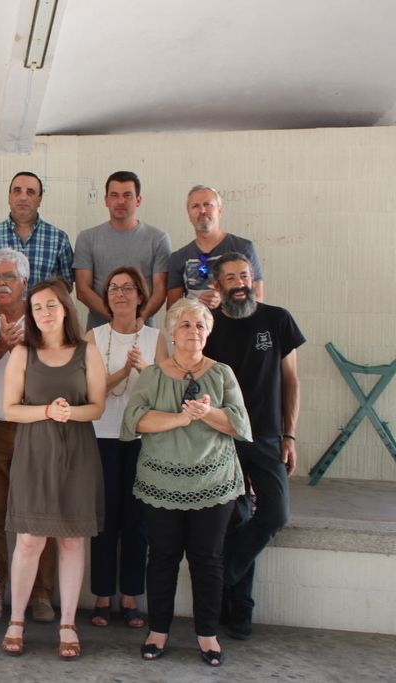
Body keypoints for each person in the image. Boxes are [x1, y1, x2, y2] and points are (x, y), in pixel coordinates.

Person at [121, 299, 251, 667]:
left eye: (201, 325)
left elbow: (240, 425)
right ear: (172, 332)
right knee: (163, 557)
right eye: (186, 325)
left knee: (207, 559)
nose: (194, 331)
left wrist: (207, 413)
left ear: (208, 333)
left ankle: (207, 635)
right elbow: (134, 421)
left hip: (214, 481)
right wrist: (180, 418)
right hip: (161, 481)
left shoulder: (222, 373)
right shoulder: (153, 374)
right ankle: (158, 631)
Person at [0, 279, 105, 660]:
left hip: (78, 453)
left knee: (72, 541)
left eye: (51, 305)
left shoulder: (87, 351)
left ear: (65, 309)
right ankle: (16, 620)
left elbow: (97, 407)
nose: (44, 313)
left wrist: (68, 412)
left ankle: (68, 624)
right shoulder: (22, 353)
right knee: (30, 541)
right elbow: (10, 409)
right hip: (35, 453)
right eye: (37, 307)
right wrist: (47, 411)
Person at [203, 254, 304, 641]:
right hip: (223, 438)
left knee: (275, 513)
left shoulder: (278, 320)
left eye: (244, 275)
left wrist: (289, 435)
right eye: (231, 277)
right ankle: (239, 609)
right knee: (236, 522)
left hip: (266, 437)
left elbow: (291, 380)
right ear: (218, 285)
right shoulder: (210, 325)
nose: (240, 283)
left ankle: (220, 579)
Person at [0, 248, 58, 623]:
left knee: (40, 514)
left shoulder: (44, 316)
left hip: (37, 426)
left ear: (25, 282)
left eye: (9, 276)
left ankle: (41, 594)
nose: (1, 283)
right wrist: (2, 345)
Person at [82, 266, 168, 628]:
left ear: (140, 296)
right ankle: (102, 595)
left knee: (137, 521)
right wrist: (122, 372)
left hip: (141, 439)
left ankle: (131, 596)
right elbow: (88, 390)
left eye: (128, 288)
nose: (120, 293)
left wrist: (143, 368)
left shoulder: (156, 337)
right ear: (106, 298)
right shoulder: (93, 336)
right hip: (101, 435)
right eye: (113, 288)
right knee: (104, 520)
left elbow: (164, 393)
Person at [73, 171, 171, 330]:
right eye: (114, 195)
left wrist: (138, 319)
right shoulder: (87, 238)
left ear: (138, 200)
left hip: (143, 330)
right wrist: (119, 319)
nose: (120, 201)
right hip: (99, 332)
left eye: (127, 195)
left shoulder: (158, 238)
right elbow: (83, 290)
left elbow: (160, 290)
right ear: (106, 200)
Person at [0, 172, 74, 312]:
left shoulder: (58, 239)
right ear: (9, 197)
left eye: (30, 192)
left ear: (40, 200)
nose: (23, 197)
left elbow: (66, 285)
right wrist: (6, 302)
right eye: (17, 191)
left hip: (41, 319)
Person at [167, 185, 264, 309]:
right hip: (196, 321)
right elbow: (173, 307)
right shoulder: (178, 257)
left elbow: (258, 297)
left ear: (219, 211)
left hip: (236, 320)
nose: (202, 210)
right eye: (195, 206)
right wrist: (197, 306)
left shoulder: (244, 248)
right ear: (189, 216)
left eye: (208, 204)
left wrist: (225, 300)